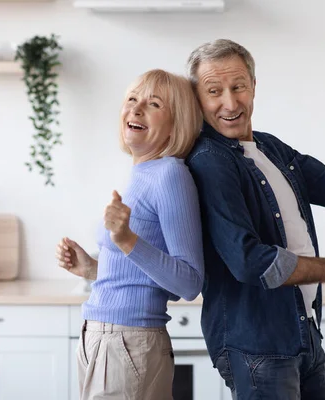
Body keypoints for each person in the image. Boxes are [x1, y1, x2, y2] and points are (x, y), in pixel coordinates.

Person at [184, 39, 325, 399]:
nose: (229, 103)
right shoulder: (210, 160)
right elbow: (250, 261)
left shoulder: (271, 148)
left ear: (254, 86)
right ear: (197, 98)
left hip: (303, 331)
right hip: (257, 346)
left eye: (238, 87)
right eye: (214, 91)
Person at [55, 69, 204, 400]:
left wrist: (125, 240)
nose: (136, 109)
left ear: (177, 123)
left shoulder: (170, 175)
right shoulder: (143, 173)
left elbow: (190, 283)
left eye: (153, 104)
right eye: (132, 100)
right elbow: (145, 275)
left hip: (126, 341)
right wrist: (93, 270)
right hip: (105, 338)